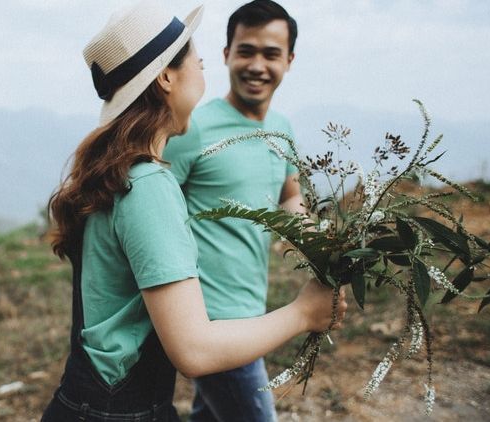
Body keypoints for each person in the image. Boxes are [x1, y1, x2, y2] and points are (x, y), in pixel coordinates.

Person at [42, 2, 345, 421]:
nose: (203, 69)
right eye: (197, 60)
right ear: (167, 76)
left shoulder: (126, 171)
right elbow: (195, 350)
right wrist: (304, 312)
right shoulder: (149, 185)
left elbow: (289, 196)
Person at [162, 1, 303, 420]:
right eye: (246, 51)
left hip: (250, 315)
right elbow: (154, 206)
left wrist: (320, 240)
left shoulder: (282, 128)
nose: (257, 65)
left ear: (289, 61)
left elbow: (290, 195)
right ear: (226, 54)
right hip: (210, 323)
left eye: (271, 54)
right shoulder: (193, 129)